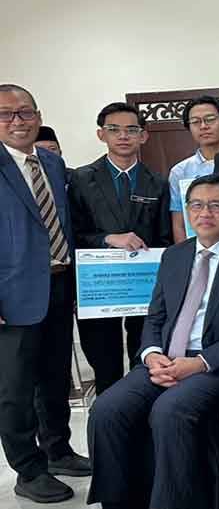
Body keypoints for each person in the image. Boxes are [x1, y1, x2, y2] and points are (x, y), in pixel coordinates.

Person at [65, 174, 219, 509]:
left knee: (170, 412)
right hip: (163, 360)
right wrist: (152, 355)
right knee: (106, 409)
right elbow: (154, 317)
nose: (205, 213)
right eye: (197, 205)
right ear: (187, 212)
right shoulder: (174, 255)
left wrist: (200, 363)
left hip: (216, 367)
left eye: (216, 205)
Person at [0, 83, 90, 504]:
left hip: (58, 284)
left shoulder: (51, 163)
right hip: (11, 296)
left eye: (25, 113)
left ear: (38, 115)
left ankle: (57, 450)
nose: (17, 122)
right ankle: (28, 468)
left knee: (55, 377)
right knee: (15, 388)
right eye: (6, 115)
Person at [70, 102, 172, 394]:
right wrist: (108, 238)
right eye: (114, 130)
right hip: (100, 288)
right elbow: (74, 234)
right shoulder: (81, 179)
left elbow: (165, 239)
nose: (123, 136)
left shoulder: (158, 183)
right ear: (102, 134)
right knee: (106, 368)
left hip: (145, 290)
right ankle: (109, 427)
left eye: (131, 130)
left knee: (147, 362)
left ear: (144, 136)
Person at [168, 96, 219, 243]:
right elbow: (179, 224)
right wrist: (185, 256)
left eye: (210, 119)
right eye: (196, 122)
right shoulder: (180, 171)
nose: (203, 126)